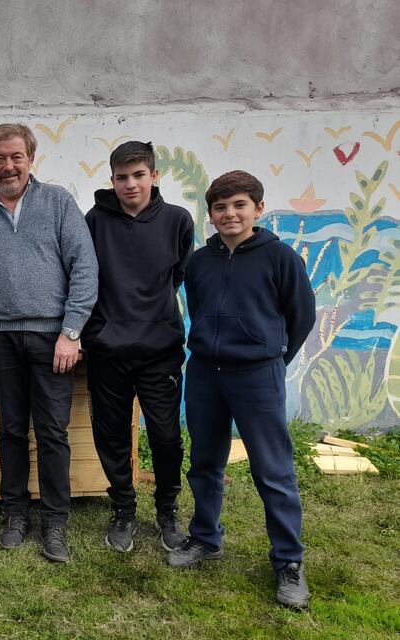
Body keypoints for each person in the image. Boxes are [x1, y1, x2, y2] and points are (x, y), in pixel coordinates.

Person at [168, 170, 316, 610]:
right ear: (210, 215)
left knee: (274, 471)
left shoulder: (281, 258)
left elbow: (301, 317)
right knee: (205, 463)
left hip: (258, 376)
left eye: (239, 205)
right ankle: (206, 538)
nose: (229, 214)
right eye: (220, 207)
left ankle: (289, 562)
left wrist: (271, 360)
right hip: (206, 375)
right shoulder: (199, 261)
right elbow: (196, 307)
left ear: (258, 209)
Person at [0, 123, 98, 563]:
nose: (8, 165)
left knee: (52, 432)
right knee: (11, 430)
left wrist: (71, 332)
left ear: (30, 160)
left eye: (17, 156)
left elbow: (85, 269)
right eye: (0, 157)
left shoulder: (58, 203)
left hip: (52, 339)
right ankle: (15, 513)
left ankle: (55, 522)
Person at [82, 141, 193, 553]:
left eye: (139, 175)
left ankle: (167, 509)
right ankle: (124, 510)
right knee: (110, 436)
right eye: (122, 177)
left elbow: (179, 276)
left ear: (154, 176)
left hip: (159, 350)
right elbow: (83, 278)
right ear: (112, 180)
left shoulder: (178, 221)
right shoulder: (94, 221)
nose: (131, 184)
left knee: (165, 436)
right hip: (107, 351)